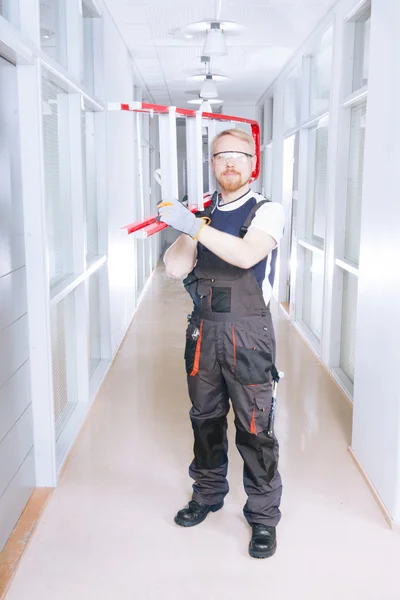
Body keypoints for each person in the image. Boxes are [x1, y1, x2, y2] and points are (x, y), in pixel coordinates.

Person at [158, 128, 285, 559]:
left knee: (255, 427)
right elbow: (175, 269)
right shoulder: (204, 213)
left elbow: (248, 255)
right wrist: (187, 228)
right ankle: (208, 494)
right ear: (212, 164)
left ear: (253, 163)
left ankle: (263, 516)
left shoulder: (267, 210)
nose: (230, 162)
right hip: (204, 331)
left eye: (238, 155)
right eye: (220, 156)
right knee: (205, 419)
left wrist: (196, 224)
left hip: (248, 333)